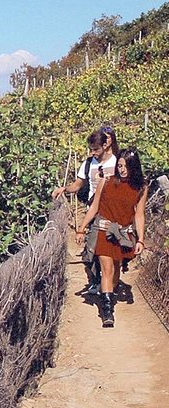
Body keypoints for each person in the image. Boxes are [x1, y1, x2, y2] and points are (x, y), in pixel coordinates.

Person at [75, 148, 147, 327]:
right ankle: (107, 311)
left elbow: (139, 214)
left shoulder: (141, 188)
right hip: (103, 231)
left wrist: (140, 239)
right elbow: (94, 207)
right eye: (120, 165)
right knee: (106, 269)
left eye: (125, 166)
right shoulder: (106, 182)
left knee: (114, 272)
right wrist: (82, 228)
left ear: (134, 167)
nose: (122, 169)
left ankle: (109, 293)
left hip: (123, 234)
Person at [52, 127, 119, 294]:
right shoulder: (88, 164)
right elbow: (78, 184)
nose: (94, 153)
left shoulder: (117, 162)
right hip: (94, 211)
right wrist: (65, 189)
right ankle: (101, 282)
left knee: (112, 250)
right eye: (92, 150)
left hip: (114, 213)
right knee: (92, 249)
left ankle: (108, 284)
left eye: (96, 149)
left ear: (105, 145)